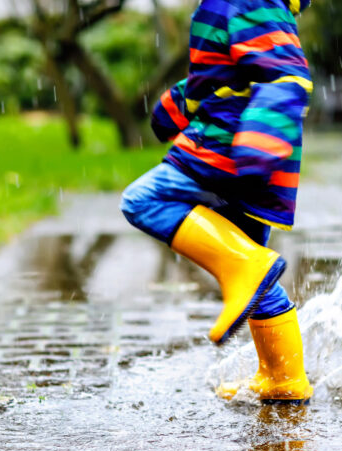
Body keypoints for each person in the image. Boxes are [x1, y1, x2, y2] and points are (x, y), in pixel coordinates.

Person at [121, 0, 313, 404]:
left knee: (143, 201)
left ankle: (244, 267)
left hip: (230, 149)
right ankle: (285, 377)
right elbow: (221, 77)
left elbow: (285, 75)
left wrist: (263, 138)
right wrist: (176, 107)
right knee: (255, 277)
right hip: (247, 155)